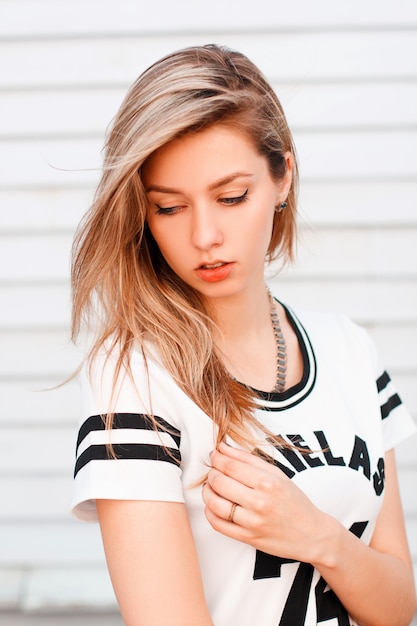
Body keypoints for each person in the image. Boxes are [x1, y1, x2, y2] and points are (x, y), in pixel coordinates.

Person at [71, 44, 417, 626]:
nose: (206, 234)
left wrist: (317, 536)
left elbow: (399, 604)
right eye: (169, 208)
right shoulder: (136, 374)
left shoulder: (349, 350)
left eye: (232, 197)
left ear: (284, 176)